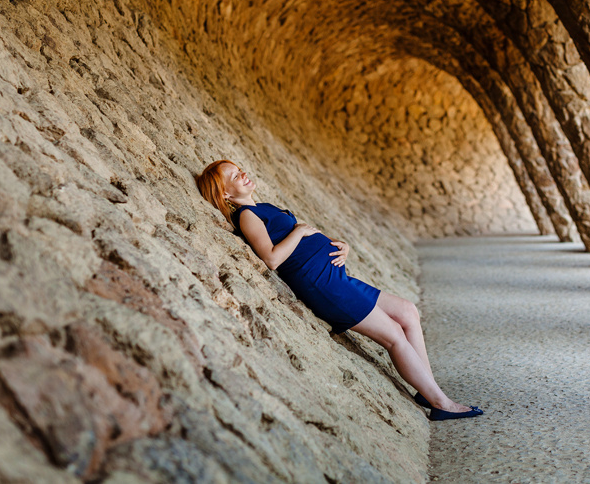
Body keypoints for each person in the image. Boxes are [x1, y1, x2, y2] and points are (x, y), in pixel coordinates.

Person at [196, 159, 483, 421]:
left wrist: (338, 244)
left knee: (408, 311)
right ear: (225, 194)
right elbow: (271, 258)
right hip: (323, 285)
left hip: (336, 277)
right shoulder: (247, 215)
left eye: (239, 169)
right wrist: (300, 230)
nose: (243, 173)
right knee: (394, 335)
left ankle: (426, 388)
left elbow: (302, 240)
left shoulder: (263, 207)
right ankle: (441, 403)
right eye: (234, 175)